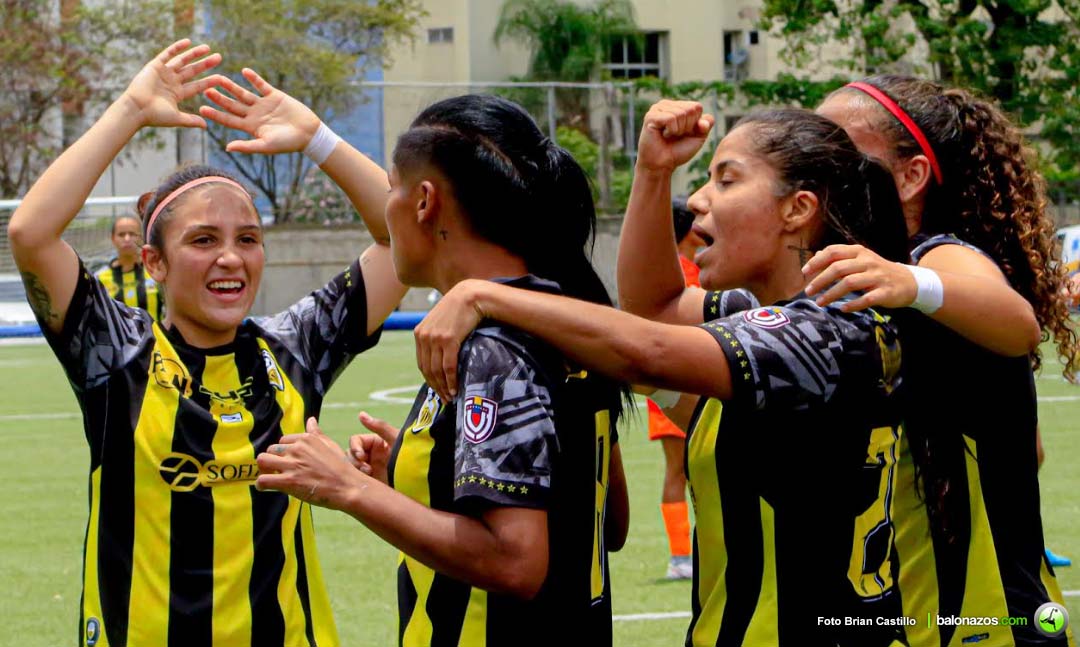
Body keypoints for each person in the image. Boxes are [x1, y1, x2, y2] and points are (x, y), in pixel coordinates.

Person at [411, 103, 913, 646]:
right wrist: (653, 172)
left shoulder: (825, 331)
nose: (698, 199)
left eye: (726, 180)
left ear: (798, 209)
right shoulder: (785, 312)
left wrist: (487, 294)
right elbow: (652, 305)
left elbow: (644, 349)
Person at [6, 41, 406, 646]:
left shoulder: (294, 348)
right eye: (202, 240)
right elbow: (32, 233)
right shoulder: (118, 355)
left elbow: (402, 241)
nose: (230, 257)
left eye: (248, 238)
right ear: (154, 263)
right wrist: (133, 109)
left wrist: (319, 138)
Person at [206, 87, 631, 646]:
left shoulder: (490, 346)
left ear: (425, 202)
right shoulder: (566, 316)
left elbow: (516, 564)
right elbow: (606, 520)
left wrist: (349, 490)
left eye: (394, 188)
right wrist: (420, 482)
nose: (387, 207)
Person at [807, 76, 1078, 647]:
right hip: (902, 609)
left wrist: (909, 282)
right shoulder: (848, 280)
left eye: (839, 150)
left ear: (910, 177)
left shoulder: (936, 258)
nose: (815, 164)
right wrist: (654, 176)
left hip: (990, 619)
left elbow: (1016, 320)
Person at [646, 196, 702, 580]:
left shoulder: (664, 274)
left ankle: (681, 556)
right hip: (693, 387)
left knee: (676, 472)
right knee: (691, 472)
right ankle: (685, 555)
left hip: (670, 388)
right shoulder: (693, 277)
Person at [94, 215, 164, 320]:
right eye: (121, 235)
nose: (127, 239)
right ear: (113, 238)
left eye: (132, 234)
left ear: (141, 238)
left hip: (155, 336)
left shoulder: (156, 272)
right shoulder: (100, 278)